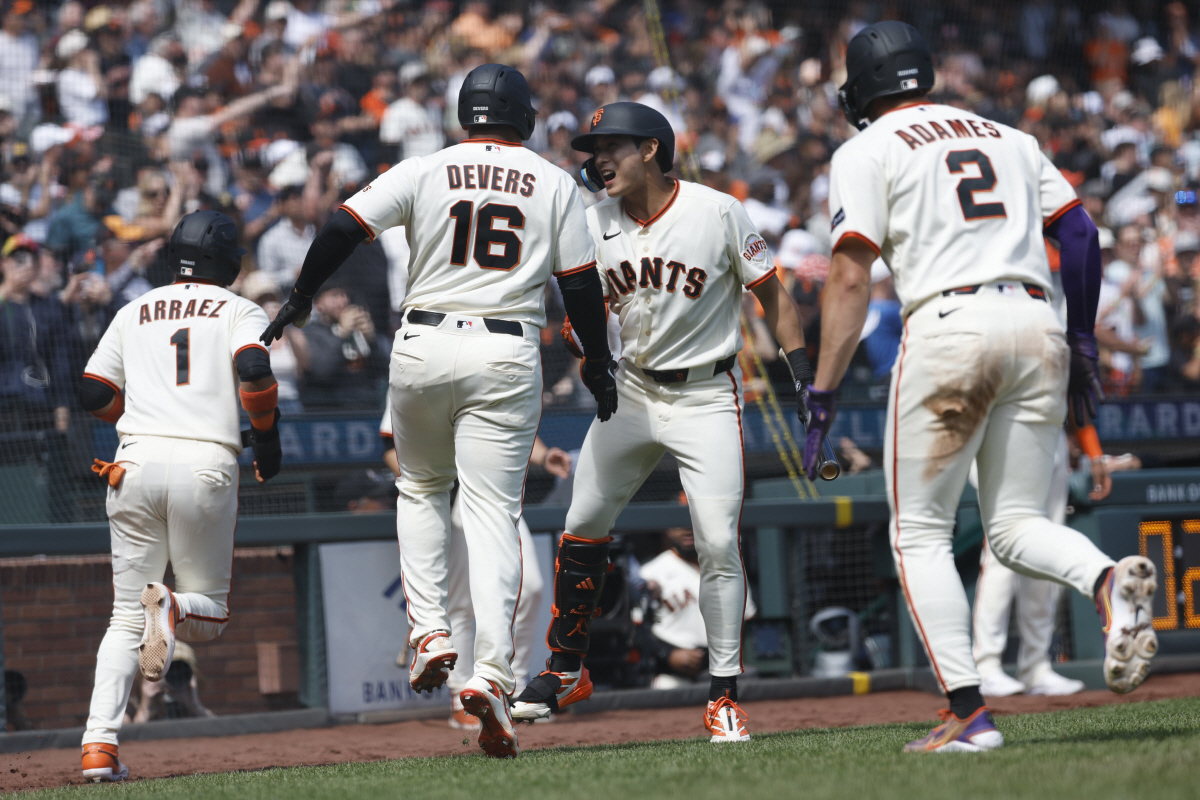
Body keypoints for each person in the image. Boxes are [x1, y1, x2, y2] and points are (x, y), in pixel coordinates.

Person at [802, 21, 1158, 754]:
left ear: (862, 87)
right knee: (1017, 524)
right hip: (1036, 319)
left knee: (920, 533)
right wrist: (1083, 337)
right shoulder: (1010, 136)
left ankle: (968, 713)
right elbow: (1083, 234)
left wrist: (824, 388)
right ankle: (1104, 580)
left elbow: (848, 272)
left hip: (949, 321)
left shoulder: (865, 148)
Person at [261, 63, 615, 760]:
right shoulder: (554, 181)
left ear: (465, 114)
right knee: (491, 513)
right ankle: (492, 674)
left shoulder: (426, 167)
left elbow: (341, 224)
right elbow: (579, 288)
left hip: (421, 342)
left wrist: (302, 295)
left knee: (420, 487)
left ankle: (429, 631)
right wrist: (598, 363)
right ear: (525, 116)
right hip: (505, 350)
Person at [510, 102, 812, 744]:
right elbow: (574, 327)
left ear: (650, 149)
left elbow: (773, 294)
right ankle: (565, 669)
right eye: (592, 150)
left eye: (610, 146)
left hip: (706, 394)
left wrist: (804, 375)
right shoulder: (589, 223)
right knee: (581, 525)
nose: (597, 160)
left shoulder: (717, 210)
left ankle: (724, 695)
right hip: (630, 392)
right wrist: (581, 339)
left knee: (717, 543)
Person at [77, 210, 283, 782]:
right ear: (230, 263)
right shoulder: (240, 308)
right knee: (207, 617)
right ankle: (170, 606)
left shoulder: (132, 308)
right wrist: (267, 440)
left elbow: (94, 390)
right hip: (203, 463)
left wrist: (140, 416)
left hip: (133, 462)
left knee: (123, 616)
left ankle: (99, 746)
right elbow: (254, 368)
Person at [379, 404, 563, 729]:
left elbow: (510, 432)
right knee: (462, 603)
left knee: (530, 586)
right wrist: (431, 481)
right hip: (448, 493)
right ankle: (461, 694)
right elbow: (393, 448)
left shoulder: (489, 357)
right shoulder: (416, 360)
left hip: (493, 491)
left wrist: (543, 456)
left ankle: (512, 689)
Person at [641, 526, 757, 689]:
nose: (688, 529)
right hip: (672, 675)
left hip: (723, 670)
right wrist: (667, 654)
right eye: (680, 524)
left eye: (694, 521)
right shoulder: (650, 572)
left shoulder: (729, 566)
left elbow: (746, 617)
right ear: (668, 530)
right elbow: (637, 629)